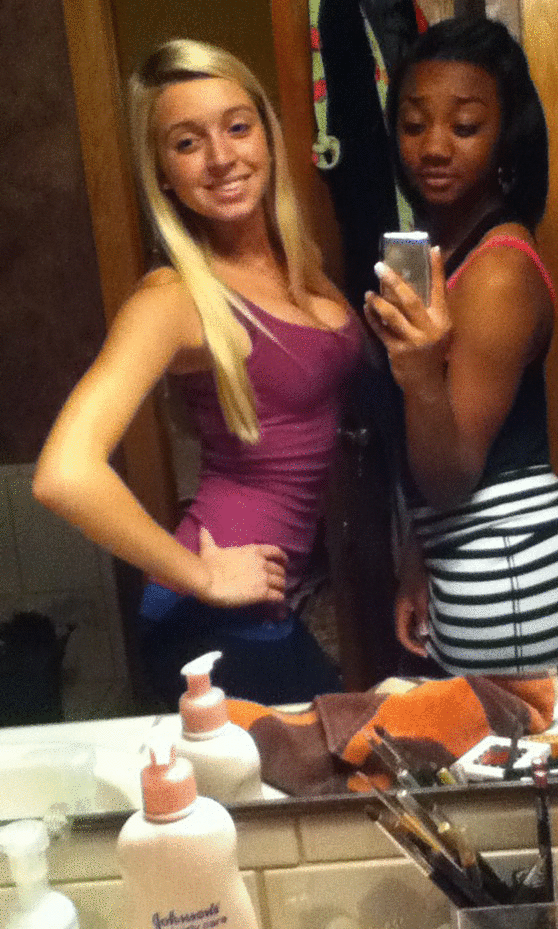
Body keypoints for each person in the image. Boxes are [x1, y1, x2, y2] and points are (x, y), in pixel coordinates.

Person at [33, 39, 363, 706]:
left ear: (267, 135)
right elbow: (64, 473)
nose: (220, 158)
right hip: (212, 616)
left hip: (273, 600)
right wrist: (200, 576)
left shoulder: (299, 263)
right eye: (187, 143)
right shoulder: (173, 296)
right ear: (162, 172)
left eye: (237, 127)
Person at [363, 17, 558, 678]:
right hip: (477, 554)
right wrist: (418, 557)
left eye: (465, 126)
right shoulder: (444, 246)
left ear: (506, 139)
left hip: (508, 563)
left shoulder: (497, 271)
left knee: (494, 745)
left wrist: (419, 371)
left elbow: (450, 478)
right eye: (414, 125)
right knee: (494, 741)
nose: (434, 147)